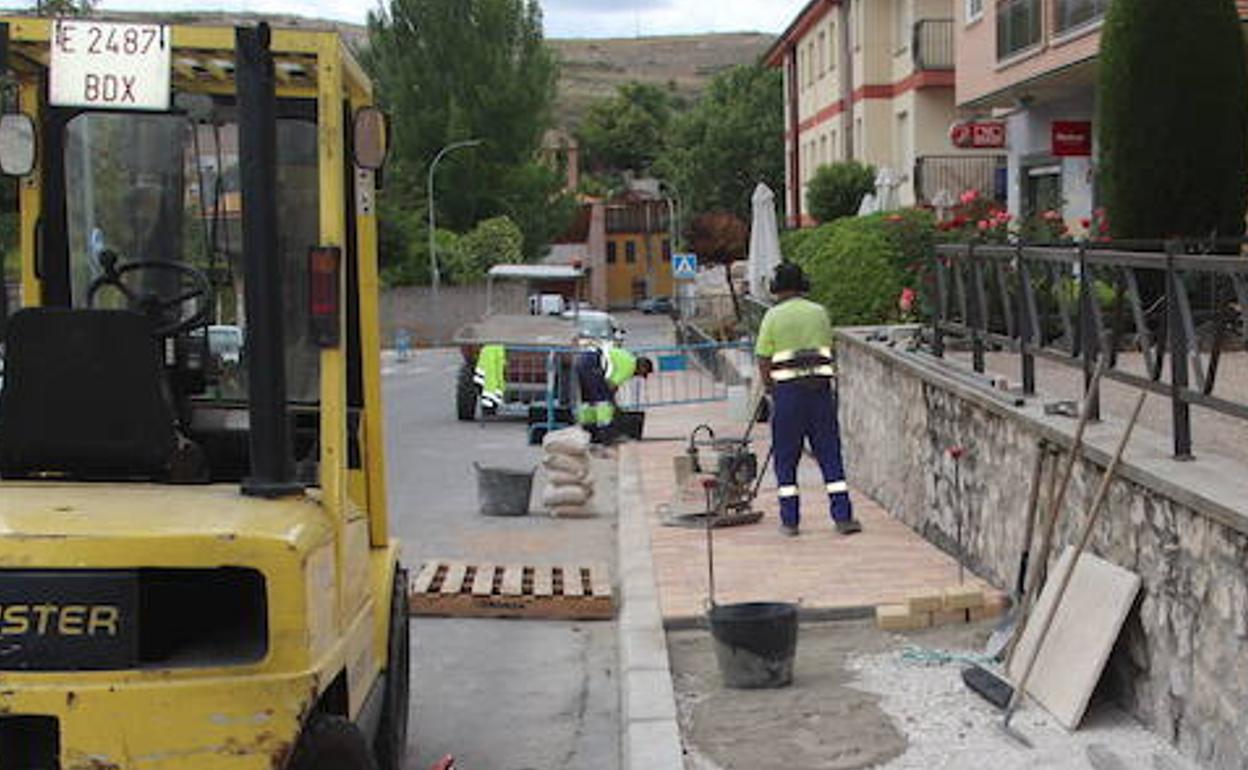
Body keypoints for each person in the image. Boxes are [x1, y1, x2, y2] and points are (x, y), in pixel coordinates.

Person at [755, 262, 861, 537]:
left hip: (788, 394)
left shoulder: (773, 317)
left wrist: (769, 387)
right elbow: (829, 349)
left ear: (777, 289)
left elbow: (763, 357)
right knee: (829, 453)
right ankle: (843, 517)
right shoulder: (819, 313)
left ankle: (790, 520)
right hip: (820, 392)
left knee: (786, 458)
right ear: (802, 285)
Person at [575, 341, 653, 443]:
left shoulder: (627, 357)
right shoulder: (630, 367)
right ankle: (604, 432)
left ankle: (589, 431)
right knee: (603, 401)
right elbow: (611, 385)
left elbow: (611, 383)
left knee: (588, 399)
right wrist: (614, 406)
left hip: (584, 361)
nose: (638, 376)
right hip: (593, 364)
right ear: (642, 367)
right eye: (642, 374)